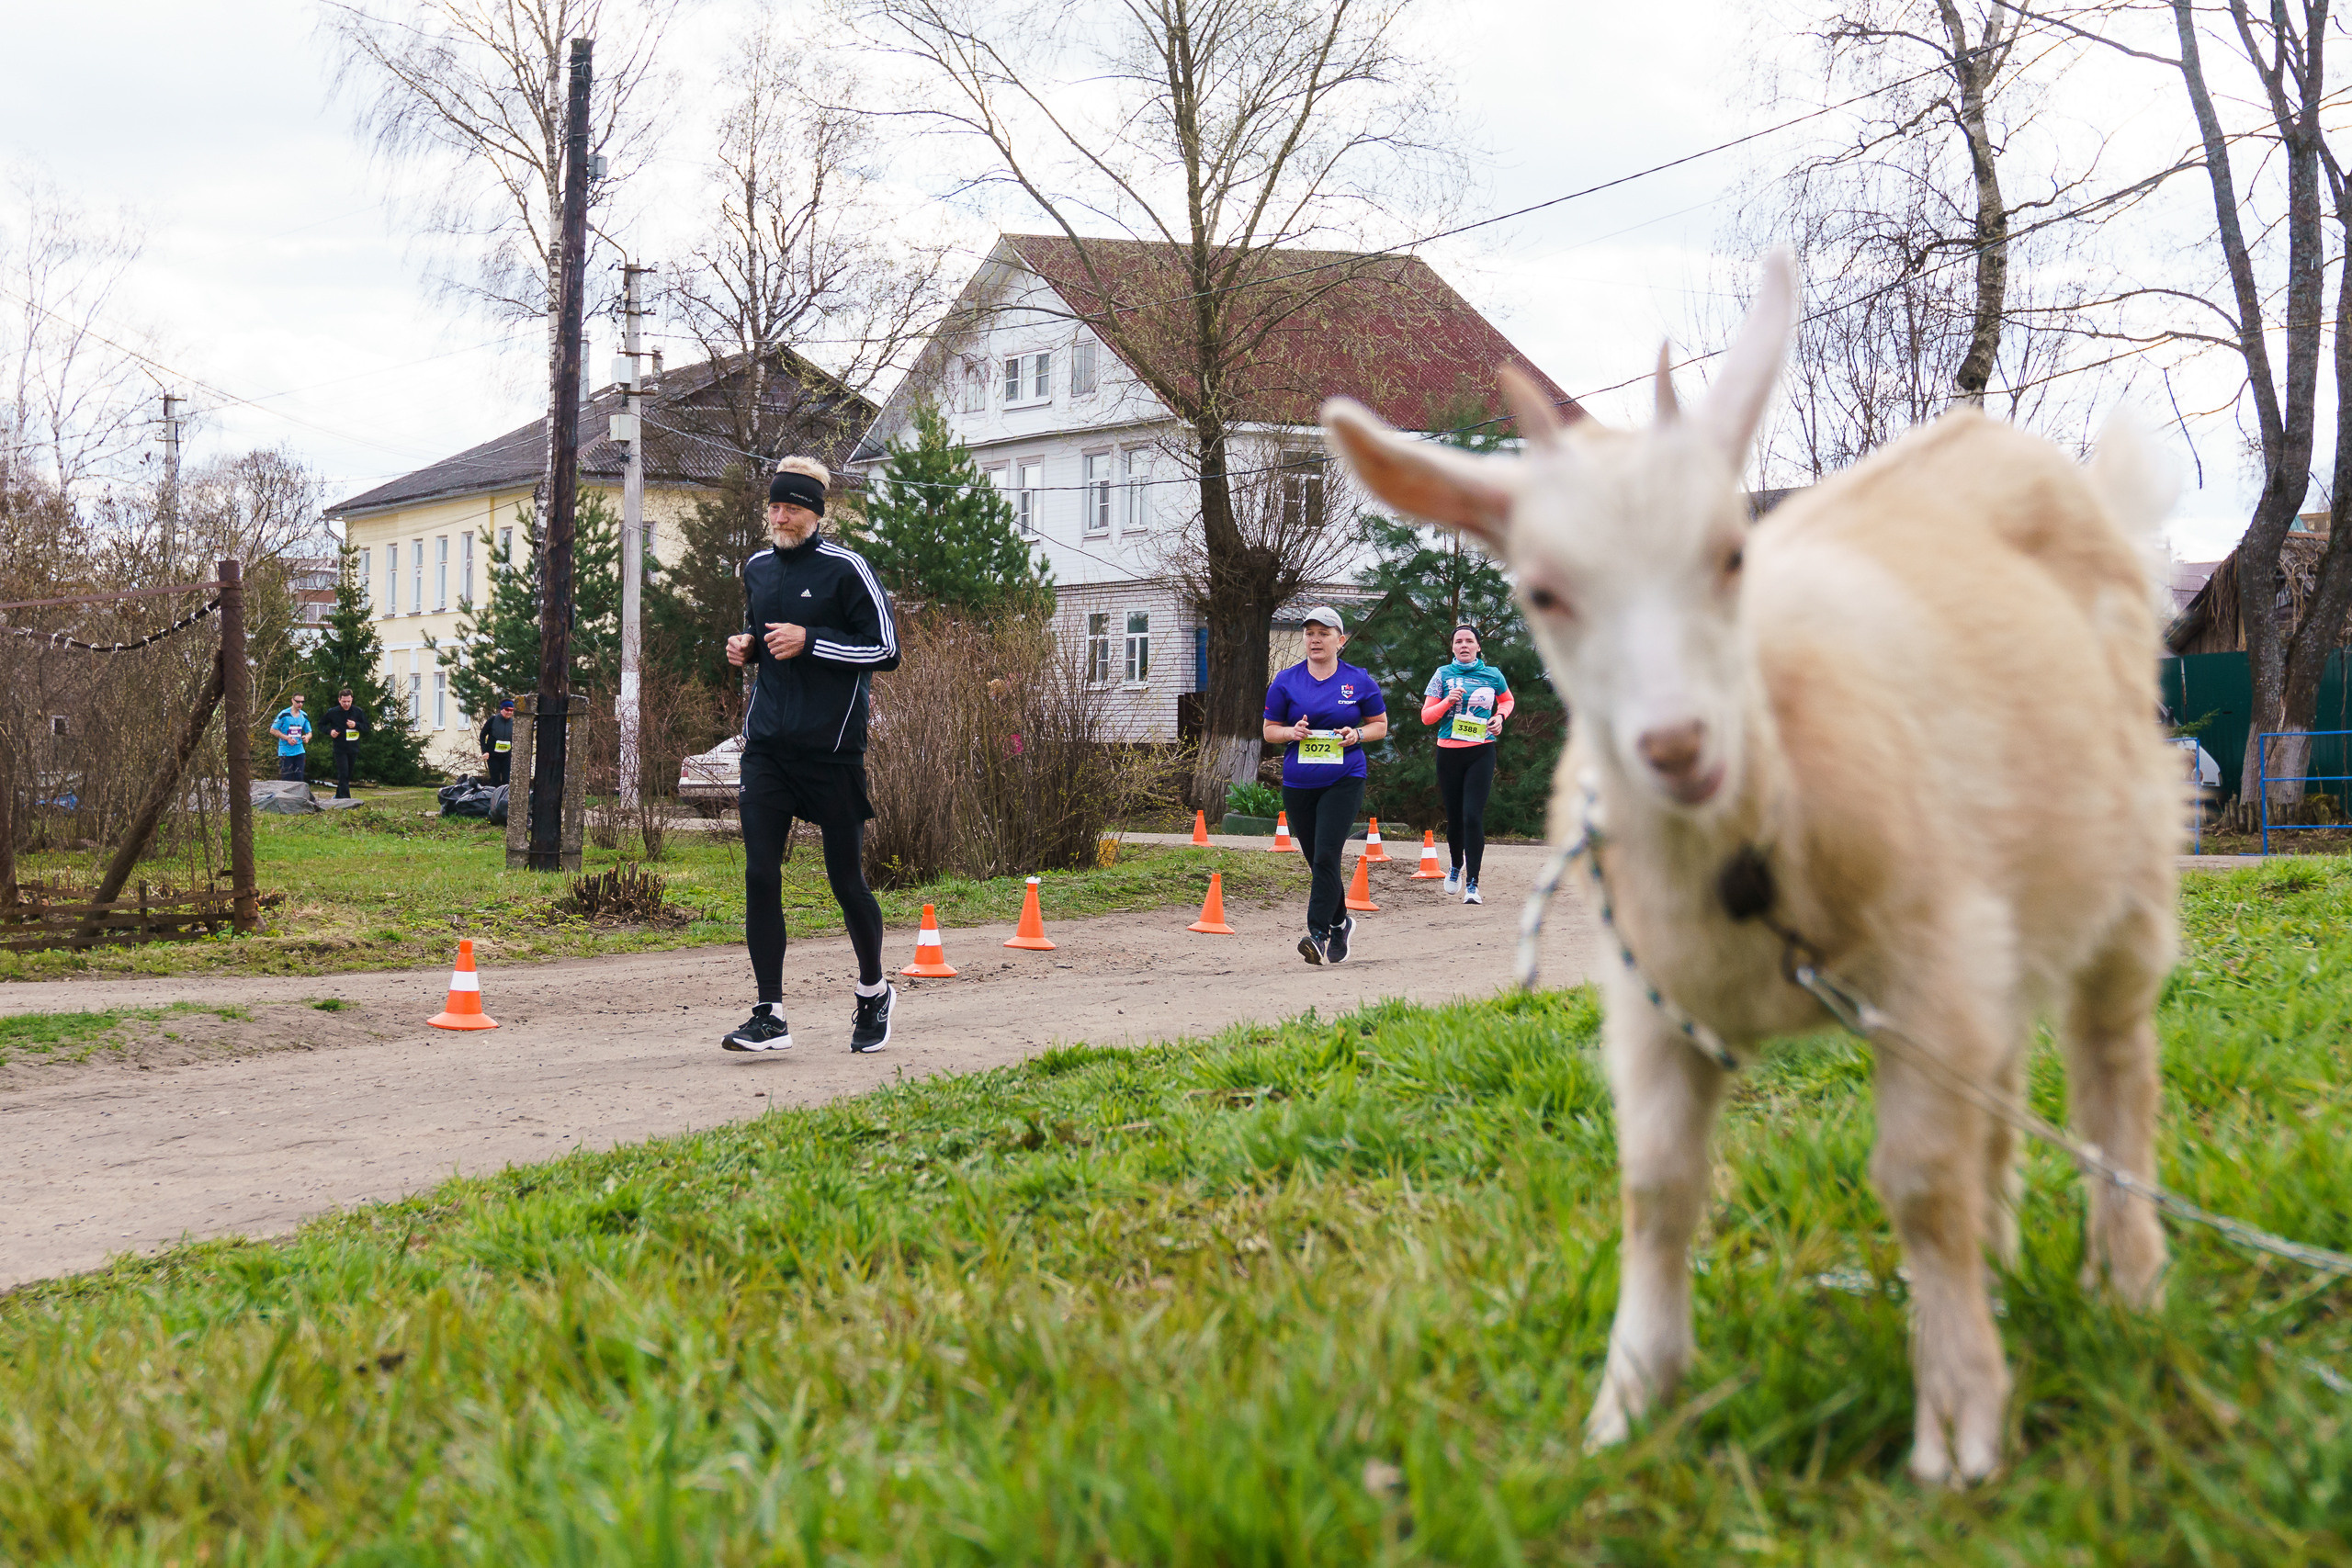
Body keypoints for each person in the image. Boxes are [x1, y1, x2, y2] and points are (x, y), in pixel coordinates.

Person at [720, 456, 901, 1055]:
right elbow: (761, 635)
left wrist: (812, 641)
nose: (779, 515)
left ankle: (873, 991)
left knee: (846, 881)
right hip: (768, 748)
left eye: (791, 506)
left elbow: (885, 647)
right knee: (759, 874)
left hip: (832, 752)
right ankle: (769, 1012)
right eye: (774, 505)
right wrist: (747, 647)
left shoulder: (845, 569)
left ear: (814, 513)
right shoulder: (758, 567)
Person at [1262, 604, 1388, 965]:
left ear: (1341, 640)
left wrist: (1358, 733)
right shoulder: (1285, 681)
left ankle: (1317, 933)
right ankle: (1340, 920)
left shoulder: (1358, 680)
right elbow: (1270, 731)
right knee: (1317, 862)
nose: (1315, 640)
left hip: (1344, 779)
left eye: (1324, 633)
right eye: (1310, 633)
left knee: (1326, 855)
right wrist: (1292, 732)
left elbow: (1379, 724)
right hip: (1300, 782)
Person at [1420, 624, 1515, 905]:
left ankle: (1473, 883)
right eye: (1458, 641)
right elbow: (1427, 717)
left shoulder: (1492, 674)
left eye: (1469, 641)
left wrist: (1500, 717)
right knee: (1455, 817)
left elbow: (1507, 700)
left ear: (1478, 646)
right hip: (1449, 753)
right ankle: (1455, 866)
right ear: (1452, 647)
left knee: (1472, 815)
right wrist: (1446, 702)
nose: (1463, 645)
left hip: (1481, 751)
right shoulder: (1443, 675)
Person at [324, 688, 370, 798]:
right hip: (339, 748)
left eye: (349, 701)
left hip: (353, 748)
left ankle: (338, 796)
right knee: (343, 773)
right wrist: (330, 731)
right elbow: (321, 725)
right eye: (344, 701)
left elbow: (367, 727)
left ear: (352, 700)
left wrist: (356, 725)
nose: (346, 704)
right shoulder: (333, 712)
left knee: (347, 774)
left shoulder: (358, 711)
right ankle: (346, 799)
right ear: (339, 700)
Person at [269, 694, 312, 783]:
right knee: (287, 779)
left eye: (302, 702)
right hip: (285, 752)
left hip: (299, 751)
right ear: (292, 701)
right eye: (298, 702)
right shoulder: (284, 714)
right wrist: (287, 738)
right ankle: (287, 797)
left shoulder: (304, 715)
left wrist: (307, 737)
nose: (300, 704)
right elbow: (273, 730)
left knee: (299, 778)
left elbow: (309, 732)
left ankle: (297, 796)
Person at [479, 696, 515, 785]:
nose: (509, 712)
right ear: (501, 709)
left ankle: (504, 799)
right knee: (495, 781)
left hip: (506, 756)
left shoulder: (513, 722)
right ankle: (493, 798)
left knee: (506, 781)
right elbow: (482, 735)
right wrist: (485, 751)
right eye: (507, 710)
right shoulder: (493, 720)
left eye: (511, 710)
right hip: (493, 756)